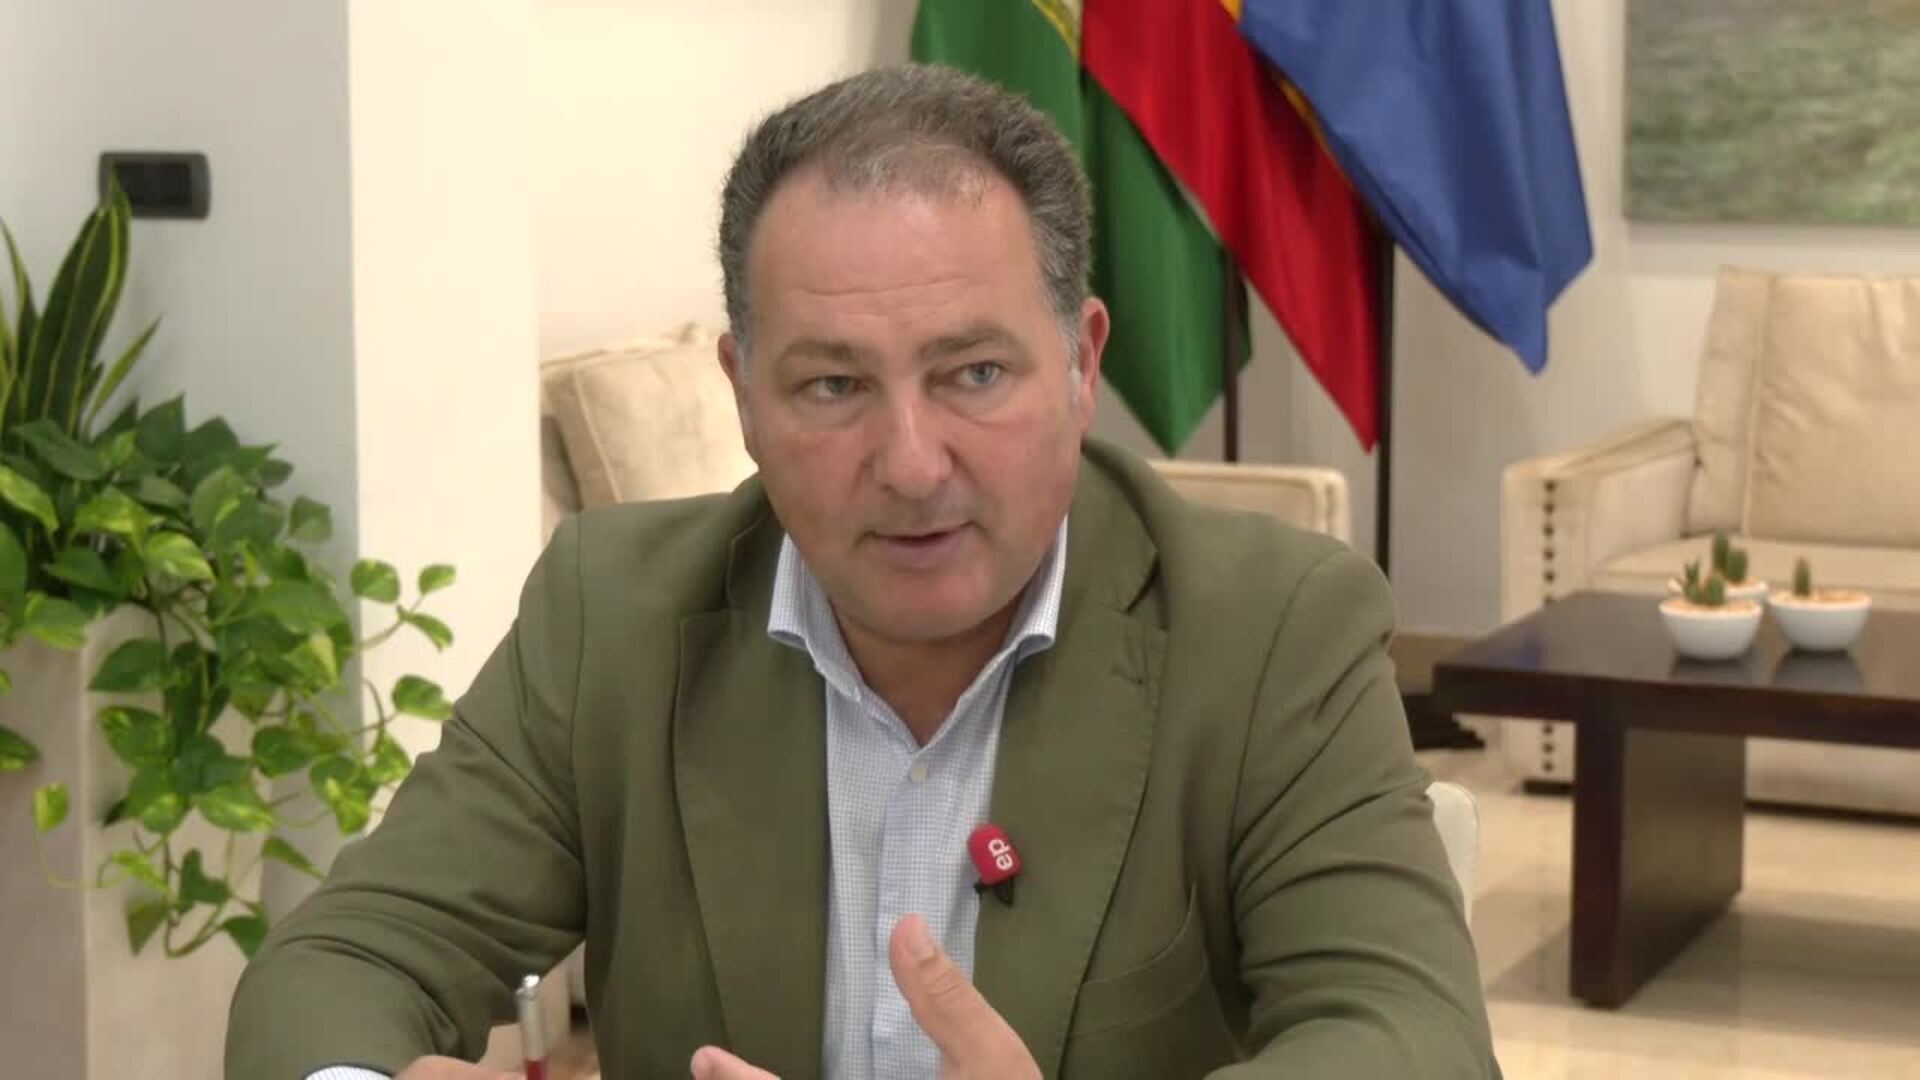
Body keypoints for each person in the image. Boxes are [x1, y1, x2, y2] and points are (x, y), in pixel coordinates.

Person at [227, 64, 1498, 1080]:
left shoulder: (1273, 628)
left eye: (974, 373)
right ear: (743, 393)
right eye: (833, 386)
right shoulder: (609, 613)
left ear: (1081, 364)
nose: (910, 462)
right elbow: (342, 962)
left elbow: (1410, 1037)